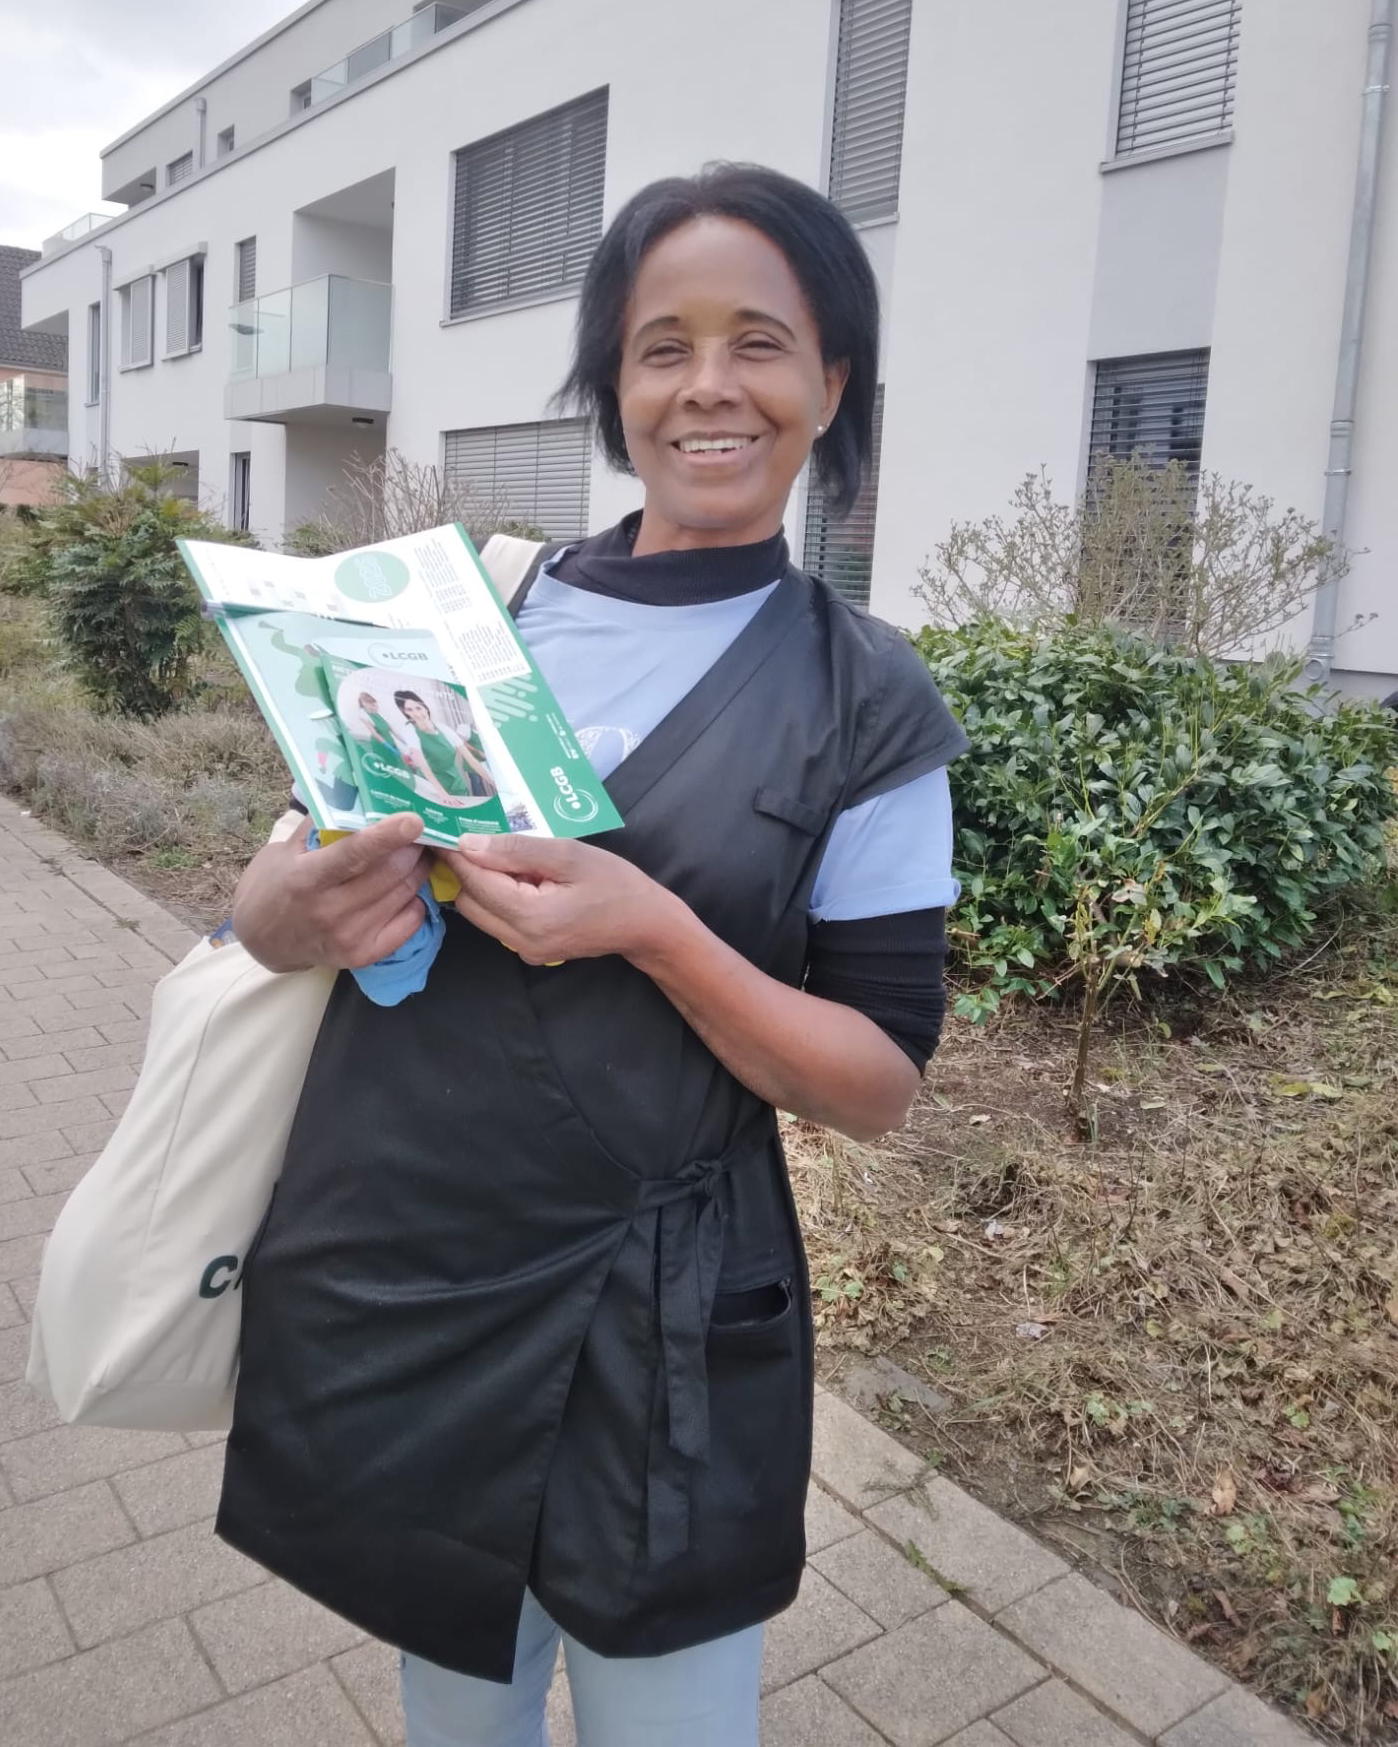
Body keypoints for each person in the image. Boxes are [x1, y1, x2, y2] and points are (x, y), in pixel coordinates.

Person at [223, 162, 968, 1747]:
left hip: (667, 1325)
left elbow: (876, 1081)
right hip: (413, 1279)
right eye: (660, 346)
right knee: (457, 1715)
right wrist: (295, 912)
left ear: (832, 382)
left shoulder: (864, 699)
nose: (708, 385)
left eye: (759, 341)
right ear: (613, 385)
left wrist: (652, 928)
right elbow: (262, 908)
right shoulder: (466, 618)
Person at [393, 688, 498, 802]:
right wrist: (443, 794)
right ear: (406, 712)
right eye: (410, 710)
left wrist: (492, 782)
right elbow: (423, 764)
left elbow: (471, 760)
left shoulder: (444, 729)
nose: (417, 714)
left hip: (456, 783)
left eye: (418, 708)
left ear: (425, 707)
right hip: (432, 788)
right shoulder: (409, 730)